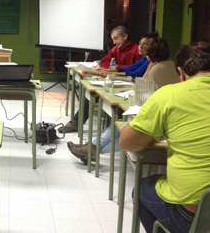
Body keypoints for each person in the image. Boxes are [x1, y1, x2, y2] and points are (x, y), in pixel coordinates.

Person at [119, 42, 210, 233]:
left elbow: (127, 143)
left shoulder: (169, 95)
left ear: (182, 73)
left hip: (196, 219)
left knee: (141, 190)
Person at [68, 35, 179, 163]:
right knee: (120, 126)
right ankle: (92, 147)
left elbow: (144, 87)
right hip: (156, 113)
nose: (141, 49)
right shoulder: (163, 64)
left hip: (159, 119)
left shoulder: (158, 68)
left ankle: (93, 148)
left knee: (123, 129)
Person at [61, 26, 142, 133]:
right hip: (116, 80)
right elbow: (103, 62)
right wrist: (114, 68)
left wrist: (116, 68)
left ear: (125, 36)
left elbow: (135, 71)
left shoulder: (137, 50)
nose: (114, 42)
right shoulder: (115, 49)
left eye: (116, 38)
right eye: (113, 39)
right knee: (91, 95)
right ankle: (76, 123)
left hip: (129, 86)